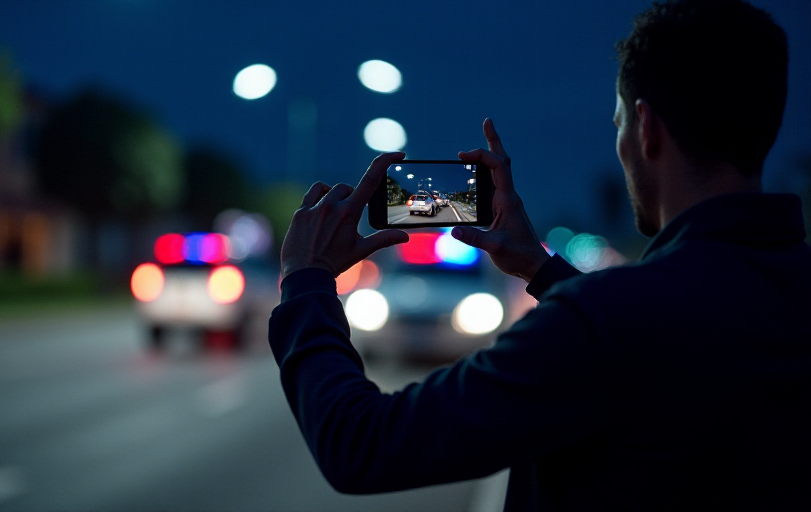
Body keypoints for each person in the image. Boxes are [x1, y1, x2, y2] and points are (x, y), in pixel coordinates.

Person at [267, 0, 810, 510]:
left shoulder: (603, 323)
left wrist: (307, 282)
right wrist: (543, 269)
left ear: (645, 129)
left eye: (618, 123)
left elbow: (362, 444)